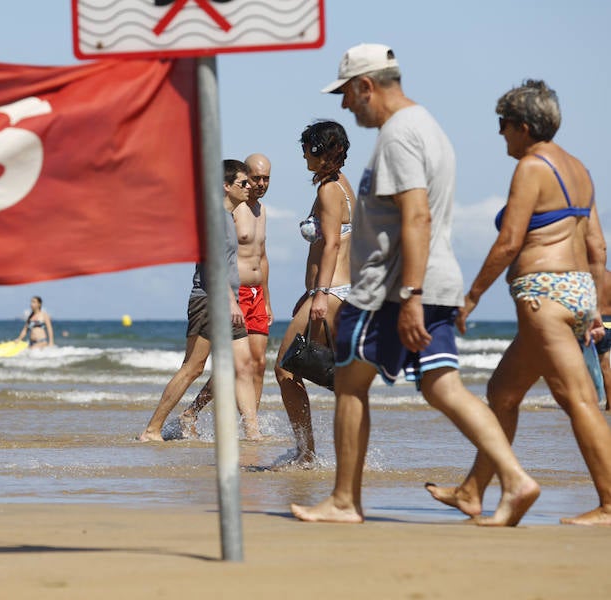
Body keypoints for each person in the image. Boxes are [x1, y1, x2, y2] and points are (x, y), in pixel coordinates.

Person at [291, 44, 539, 526]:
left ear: (367, 86)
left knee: (348, 380)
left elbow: (417, 215)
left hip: (392, 287)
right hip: (429, 281)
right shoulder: (429, 128)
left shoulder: (400, 135)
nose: (344, 105)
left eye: (346, 94)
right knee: (441, 385)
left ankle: (344, 500)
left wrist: (410, 295)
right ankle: (514, 479)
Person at [424, 80, 611, 526]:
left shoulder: (531, 166)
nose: (500, 133)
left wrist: (469, 298)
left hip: (543, 295)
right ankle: (472, 491)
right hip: (577, 291)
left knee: (580, 401)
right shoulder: (580, 169)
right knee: (502, 393)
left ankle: (609, 504)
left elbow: (509, 241)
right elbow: (598, 246)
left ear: (524, 126)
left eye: (503, 124)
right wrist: (599, 311)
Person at [138, 159, 261, 442]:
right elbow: (213, 265)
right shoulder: (214, 218)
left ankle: (253, 433)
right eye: (243, 183)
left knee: (243, 365)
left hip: (227, 302)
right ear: (225, 186)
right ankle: (152, 429)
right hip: (209, 300)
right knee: (193, 367)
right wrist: (231, 302)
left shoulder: (229, 217)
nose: (249, 187)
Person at [271, 120, 355, 466]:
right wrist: (309, 293)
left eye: (307, 147)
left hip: (332, 291)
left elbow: (333, 243)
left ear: (320, 150)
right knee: (332, 373)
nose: (303, 153)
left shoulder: (329, 191)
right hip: (333, 290)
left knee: (286, 367)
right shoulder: (339, 185)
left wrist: (319, 294)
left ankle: (307, 453)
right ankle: (327, 451)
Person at [178, 153, 273, 435]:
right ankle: (193, 412)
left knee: (257, 363)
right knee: (236, 365)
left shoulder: (261, 210)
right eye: (254, 178)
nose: (260, 184)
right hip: (236, 292)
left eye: (266, 178)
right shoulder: (235, 209)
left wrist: (266, 299)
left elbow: (263, 256)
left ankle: (250, 424)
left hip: (257, 294)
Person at [596, 269, 611, 411]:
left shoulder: (589, 275)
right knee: (605, 367)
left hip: (593, 323)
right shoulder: (609, 276)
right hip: (609, 324)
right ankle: (609, 405)